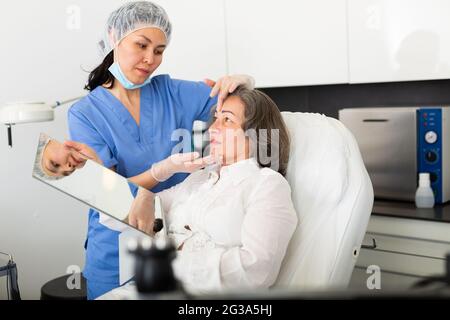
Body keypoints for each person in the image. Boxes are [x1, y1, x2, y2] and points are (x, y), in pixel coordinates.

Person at [67, 1, 255, 299]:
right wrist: (157, 174)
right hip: (115, 251)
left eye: (159, 50)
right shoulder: (84, 115)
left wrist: (244, 84)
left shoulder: (173, 93)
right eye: (141, 45)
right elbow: (107, 192)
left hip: (176, 246)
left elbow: (240, 111)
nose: (150, 59)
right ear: (114, 36)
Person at [126, 87, 298, 294]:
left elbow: (256, 270)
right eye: (216, 118)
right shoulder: (200, 178)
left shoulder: (266, 185)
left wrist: (170, 264)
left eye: (227, 120)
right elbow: (122, 214)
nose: (212, 129)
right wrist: (150, 185)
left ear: (254, 134)